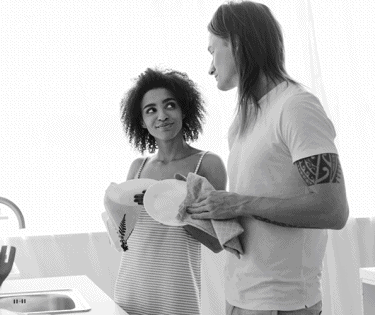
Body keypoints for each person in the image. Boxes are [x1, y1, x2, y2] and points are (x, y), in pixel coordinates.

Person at [195, 2, 349, 314]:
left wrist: (238, 203)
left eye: (212, 50)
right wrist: (209, 211)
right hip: (241, 297)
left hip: (283, 303)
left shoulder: (296, 107)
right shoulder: (245, 120)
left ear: (236, 43)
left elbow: (333, 210)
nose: (210, 66)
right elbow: (261, 204)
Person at [109, 67, 227, 315]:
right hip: (130, 292)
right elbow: (125, 240)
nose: (161, 115)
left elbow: (217, 242)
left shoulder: (207, 164)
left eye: (170, 105)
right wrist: (115, 210)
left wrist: (175, 209)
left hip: (177, 296)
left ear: (184, 109)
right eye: (150, 110)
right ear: (141, 121)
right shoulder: (137, 168)